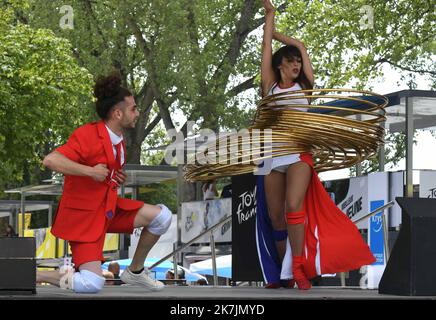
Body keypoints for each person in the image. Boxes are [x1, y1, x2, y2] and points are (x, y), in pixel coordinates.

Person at [256, 0, 375, 290]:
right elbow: (265, 51)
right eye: (291, 61)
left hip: (298, 153)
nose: (297, 64)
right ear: (280, 65)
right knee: (275, 217)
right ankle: (285, 273)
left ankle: (298, 267)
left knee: (293, 206)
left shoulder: (304, 86)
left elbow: (301, 45)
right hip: (273, 155)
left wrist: (283, 35)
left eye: (298, 61)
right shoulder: (269, 85)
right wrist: (269, 17)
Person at [36, 72, 173, 294]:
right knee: (91, 284)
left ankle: (135, 272)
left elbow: (103, 173)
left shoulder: (119, 141)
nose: (137, 113)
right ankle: (38, 274)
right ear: (117, 113)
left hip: (108, 210)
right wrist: (90, 171)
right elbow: (51, 160)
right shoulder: (88, 134)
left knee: (163, 217)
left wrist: (112, 178)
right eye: (133, 109)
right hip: (84, 220)